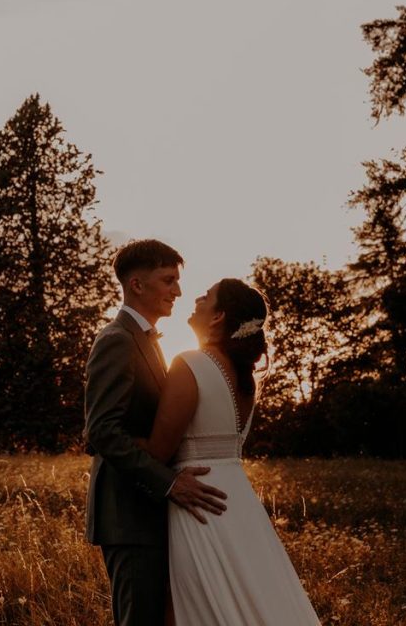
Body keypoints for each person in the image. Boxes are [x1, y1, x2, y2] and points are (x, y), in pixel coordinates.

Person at [145, 277, 323, 626]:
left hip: (199, 500)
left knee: (195, 603)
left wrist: (111, 437)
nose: (196, 297)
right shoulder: (245, 379)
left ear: (218, 316)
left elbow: (157, 451)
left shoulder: (190, 363)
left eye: (207, 296)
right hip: (237, 500)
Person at [84, 239, 227, 626]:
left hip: (149, 513)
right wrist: (169, 483)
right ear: (137, 285)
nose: (178, 291)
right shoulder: (116, 340)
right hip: (127, 516)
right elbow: (101, 432)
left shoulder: (145, 341)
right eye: (168, 280)